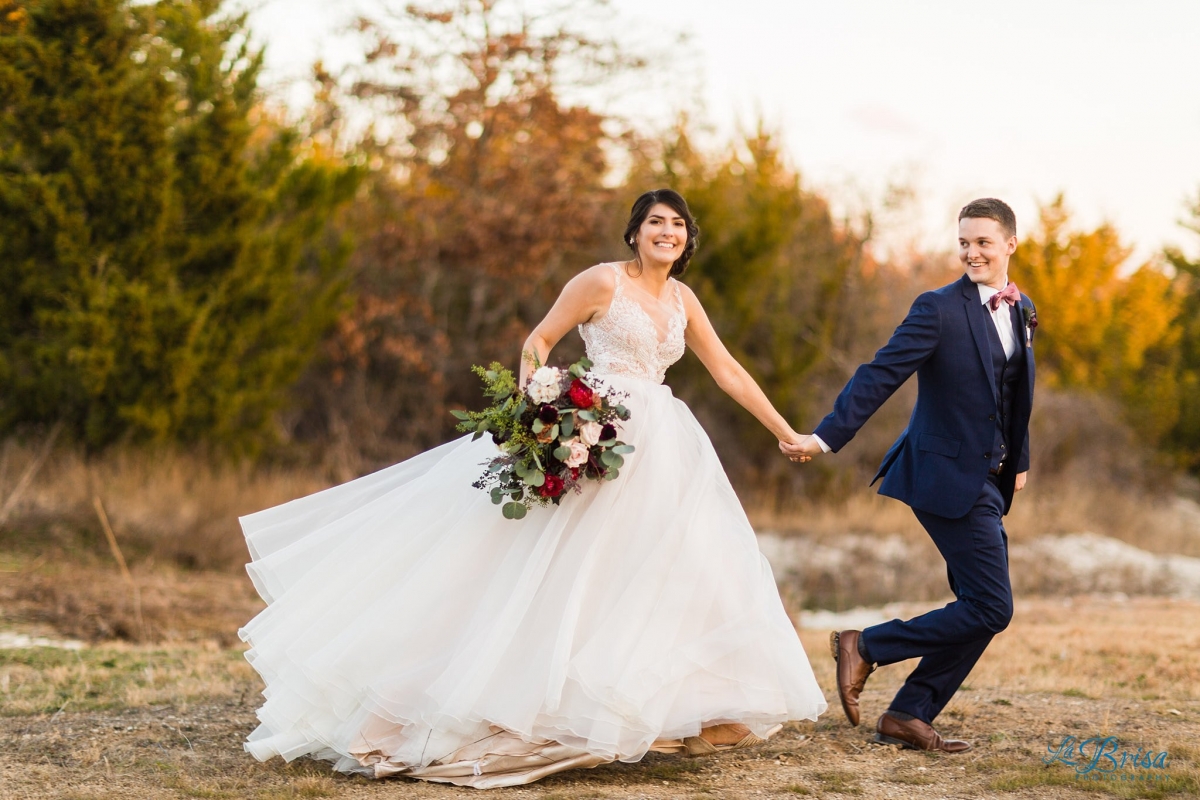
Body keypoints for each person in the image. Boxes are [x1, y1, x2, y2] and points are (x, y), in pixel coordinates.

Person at [238, 188, 827, 789]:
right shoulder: (601, 283)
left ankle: (669, 703)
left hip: (663, 446)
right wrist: (539, 407)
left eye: (677, 225)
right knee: (553, 569)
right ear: (634, 233)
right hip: (596, 433)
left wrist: (786, 432)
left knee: (665, 568)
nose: (667, 232)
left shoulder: (683, 298)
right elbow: (538, 342)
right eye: (655, 222)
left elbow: (726, 369)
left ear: (686, 238)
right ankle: (493, 700)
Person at [782, 197, 1036, 753]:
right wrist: (824, 437)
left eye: (983, 242)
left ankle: (909, 713)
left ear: (1010, 244)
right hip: (941, 475)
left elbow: (1015, 394)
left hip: (989, 480)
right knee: (993, 607)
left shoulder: (1020, 308)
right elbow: (881, 373)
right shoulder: (938, 308)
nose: (972, 252)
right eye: (964, 242)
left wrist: (1017, 461)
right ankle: (866, 645)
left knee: (978, 606)